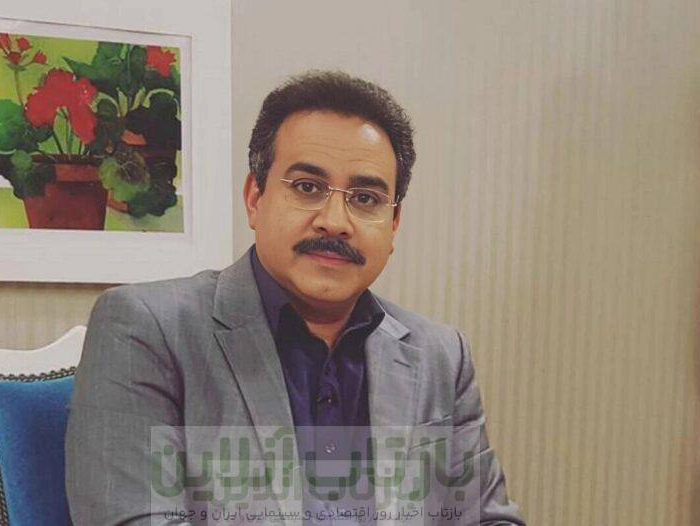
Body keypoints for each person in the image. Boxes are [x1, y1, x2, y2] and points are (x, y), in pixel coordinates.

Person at [65, 71, 525, 525]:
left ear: (394, 225)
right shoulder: (148, 329)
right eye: (308, 188)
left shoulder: (441, 355)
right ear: (255, 198)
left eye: (365, 198)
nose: (335, 221)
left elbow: (488, 518)